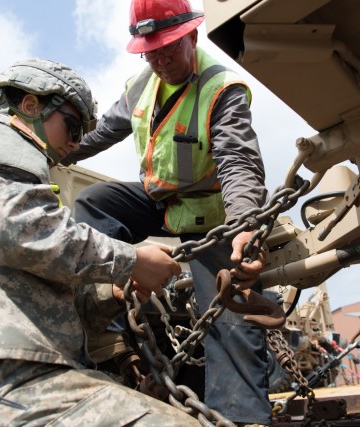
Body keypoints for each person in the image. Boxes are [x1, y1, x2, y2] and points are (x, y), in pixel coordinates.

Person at [0, 58, 201, 426]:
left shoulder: (16, 187)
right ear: (31, 106)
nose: (76, 142)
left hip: (15, 374)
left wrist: (111, 295)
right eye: (73, 125)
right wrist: (131, 260)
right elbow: (18, 231)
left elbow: (43, 292)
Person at [63, 0, 272, 425]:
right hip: (160, 202)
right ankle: (107, 326)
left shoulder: (222, 90)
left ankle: (242, 417)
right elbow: (100, 133)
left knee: (230, 315)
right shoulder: (142, 86)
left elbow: (238, 164)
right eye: (150, 51)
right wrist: (44, 141)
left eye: (168, 48)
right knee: (94, 203)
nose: (159, 59)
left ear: (192, 36)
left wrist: (245, 230)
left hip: (211, 216)